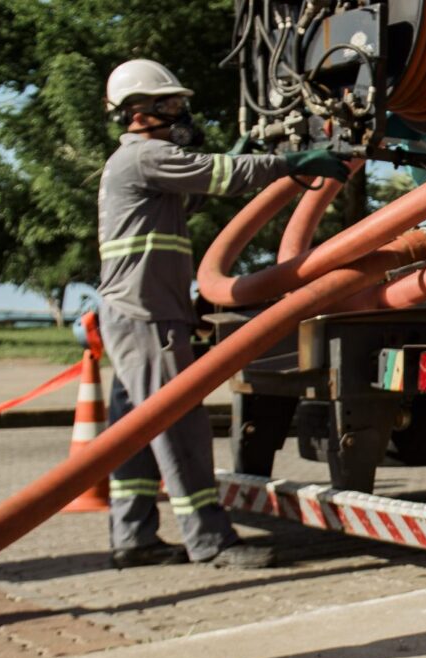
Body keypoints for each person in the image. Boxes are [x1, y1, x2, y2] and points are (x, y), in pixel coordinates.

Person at [98, 59, 354, 569]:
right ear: (137, 112)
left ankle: (132, 535)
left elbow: (194, 194)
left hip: (138, 312)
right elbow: (220, 176)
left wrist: (251, 160)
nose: (180, 113)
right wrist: (290, 162)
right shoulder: (144, 156)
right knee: (179, 424)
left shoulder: (141, 166)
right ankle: (209, 539)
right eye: (168, 104)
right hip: (148, 315)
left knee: (132, 430)